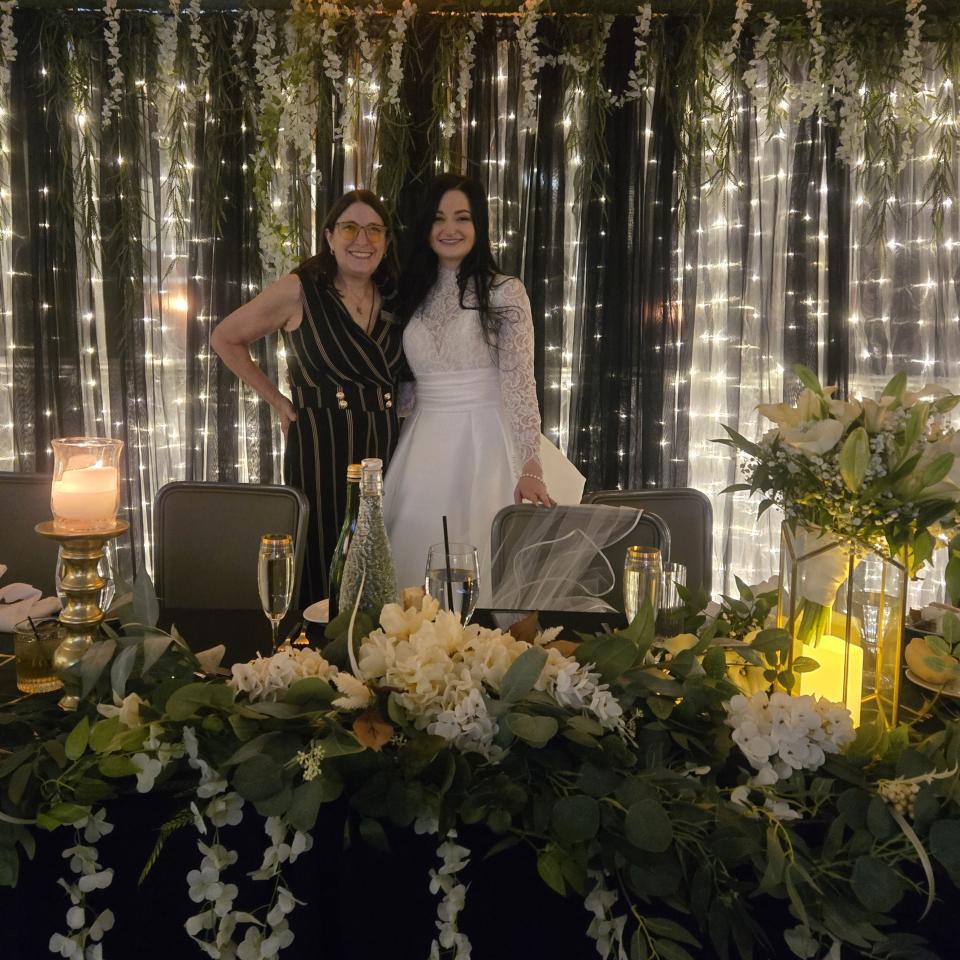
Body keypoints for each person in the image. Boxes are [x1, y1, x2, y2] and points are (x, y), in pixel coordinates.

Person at [383, 173, 584, 602]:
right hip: (421, 444)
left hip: (485, 444)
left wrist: (530, 463)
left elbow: (518, 381)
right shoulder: (409, 294)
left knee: (484, 574)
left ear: (479, 227)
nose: (450, 229)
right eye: (439, 219)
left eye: (462, 218)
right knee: (411, 574)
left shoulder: (504, 292)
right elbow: (411, 384)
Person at [211, 189, 406, 608]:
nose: (363, 240)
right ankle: (321, 661)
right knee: (324, 559)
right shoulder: (300, 291)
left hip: (387, 445)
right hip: (321, 444)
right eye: (351, 228)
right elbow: (225, 338)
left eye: (375, 230)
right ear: (329, 236)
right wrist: (278, 402)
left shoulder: (395, 297)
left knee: (382, 563)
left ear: (386, 241)